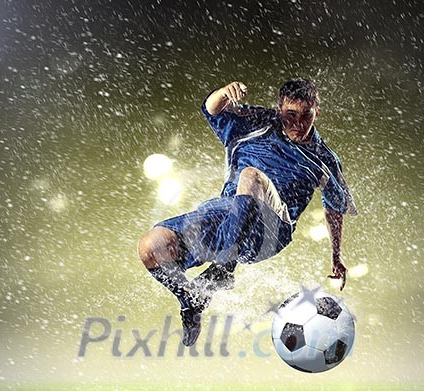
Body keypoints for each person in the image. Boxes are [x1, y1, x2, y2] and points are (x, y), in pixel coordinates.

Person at [138, 79, 357, 347]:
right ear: (279, 109)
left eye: (306, 115)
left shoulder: (324, 159)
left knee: (250, 175)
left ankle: (224, 267)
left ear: (317, 112)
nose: (298, 124)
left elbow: (334, 207)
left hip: (271, 229)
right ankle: (191, 300)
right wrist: (223, 92)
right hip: (225, 214)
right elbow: (212, 109)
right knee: (151, 247)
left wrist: (337, 257)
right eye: (291, 115)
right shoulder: (256, 123)